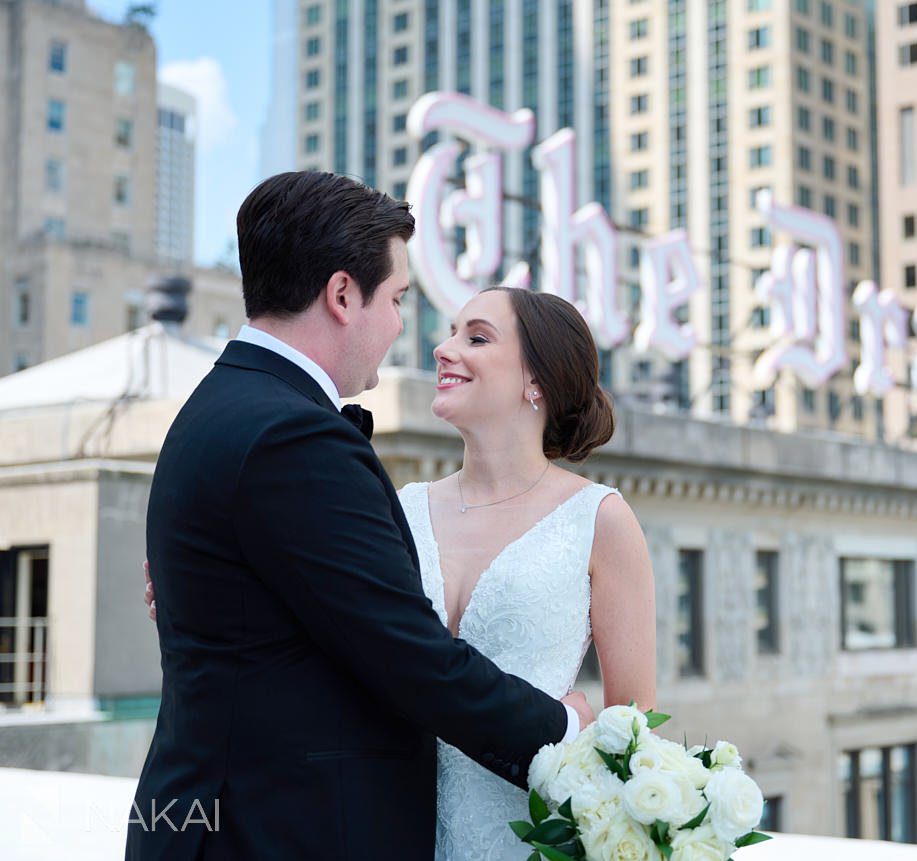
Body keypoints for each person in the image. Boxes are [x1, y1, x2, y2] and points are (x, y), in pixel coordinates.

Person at [127, 171, 593, 861]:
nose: (406, 326)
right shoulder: (292, 435)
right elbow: (406, 652)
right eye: (398, 298)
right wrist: (562, 724)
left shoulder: (217, 407)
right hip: (274, 831)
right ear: (343, 295)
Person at [400, 286, 656, 858]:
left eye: (477, 337)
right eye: (449, 332)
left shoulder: (599, 519)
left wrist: (581, 730)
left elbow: (634, 728)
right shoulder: (399, 508)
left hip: (528, 839)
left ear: (534, 380)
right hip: (391, 828)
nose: (444, 350)